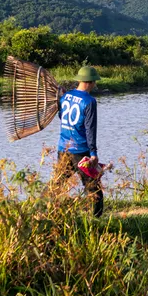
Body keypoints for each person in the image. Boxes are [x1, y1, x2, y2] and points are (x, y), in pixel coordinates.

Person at [56, 66, 105, 216]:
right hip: (80, 151)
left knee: (57, 184)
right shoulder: (90, 101)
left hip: (63, 148)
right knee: (94, 188)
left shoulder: (65, 96)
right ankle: (97, 221)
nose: (95, 85)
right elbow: (90, 128)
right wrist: (93, 153)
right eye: (94, 82)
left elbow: (61, 116)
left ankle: (42, 209)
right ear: (89, 82)